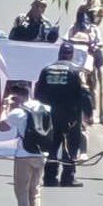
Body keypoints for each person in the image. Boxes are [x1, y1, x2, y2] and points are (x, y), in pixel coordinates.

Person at [34, 42, 92, 187]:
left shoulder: (46, 70)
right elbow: (85, 94)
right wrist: (88, 114)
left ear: (59, 53)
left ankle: (49, 177)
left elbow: (38, 93)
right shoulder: (77, 71)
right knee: (70, 146)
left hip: (50, 114)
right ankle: (68, 177)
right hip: (71, 114)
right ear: (71, 55)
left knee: (52, 145)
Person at [0, 82, 51, 206]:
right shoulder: (45, 108)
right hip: (41, 154)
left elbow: (2, 126)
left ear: (17, 96)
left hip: (24, 154)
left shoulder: (18, 113)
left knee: (22, 190)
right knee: (35, 190)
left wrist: (5, 107)